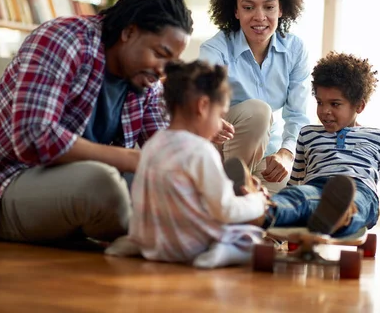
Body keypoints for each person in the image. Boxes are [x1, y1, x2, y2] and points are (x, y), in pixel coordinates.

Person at [0, 0, 193, 244]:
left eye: (170, 63)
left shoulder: (146, 82)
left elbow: (165, 152)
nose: (162, 70)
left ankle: (198, 224)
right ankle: (176, 235)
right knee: (102, 184)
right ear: (129, 32)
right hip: (7, 187)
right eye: (159, 54)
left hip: (76, 185)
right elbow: (33, 135)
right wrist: (129, 158)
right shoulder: (64, 39)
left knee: (167, 183)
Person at [252, 52, 380, 260]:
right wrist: (276, 238)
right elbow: (296, 181)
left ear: (359, 106)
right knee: (298, 196)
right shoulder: (308, 134)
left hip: (358, 191)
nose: (325, 111)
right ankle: (261, 211)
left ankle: (341, 216)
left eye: (335, 104)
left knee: (352, 203)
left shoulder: (379, 138)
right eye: (320, 102)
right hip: (316, 187)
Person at [105, 60, 268, 268]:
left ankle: (134, 243)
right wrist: (256, 202)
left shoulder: (153, 144)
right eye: (220, 115)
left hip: (152, 242)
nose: (220, 123)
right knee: (252, 236)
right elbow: (225, 210)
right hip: (190, 246)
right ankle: (221, 252)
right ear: (202, 106)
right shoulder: (200, 150)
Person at [199, 0, 310, 194]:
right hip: (218, 150)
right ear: (235, 11)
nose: (260, 17)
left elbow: (297, 115)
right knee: (259, 111)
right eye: (248, 7)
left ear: (281, 9)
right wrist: (211, 119)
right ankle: (232, 194)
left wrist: (286, 153)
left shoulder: (295, 50)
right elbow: (202, 97)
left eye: (269, 7)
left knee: (284, 206)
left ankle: (239, 206)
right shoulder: (215, 49)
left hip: (266, 157)